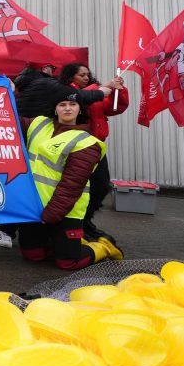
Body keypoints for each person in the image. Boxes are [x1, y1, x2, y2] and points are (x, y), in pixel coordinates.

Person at [18, 95, 121, 270]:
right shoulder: (38, 123)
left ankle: (103, 246)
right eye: (62, 104)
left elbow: (71, 187)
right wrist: (6, 92)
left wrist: (51, 216)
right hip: (35, 206)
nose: (67, 108)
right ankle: (63, 243)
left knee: (68, 262)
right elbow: (7, 120)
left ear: (79, 110)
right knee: (33, 255)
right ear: (55, 109)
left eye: (73, 105)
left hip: (66, 210)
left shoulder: (86, 143)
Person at [60, 63, 129, 240]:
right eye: (81, 75)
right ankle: (74, 224)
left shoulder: (96, 92)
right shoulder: (66, 91)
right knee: (79, 188)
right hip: (78, 148)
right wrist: (104, 87)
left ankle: (85, 221)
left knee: (101, 186)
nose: (86, 77)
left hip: (96, 146)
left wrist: (117, 91)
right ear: (70, 76)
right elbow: (81, 98)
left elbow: (113, 108)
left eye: (87, 75)